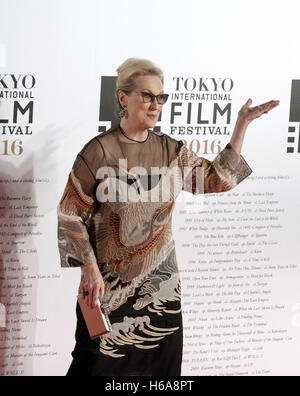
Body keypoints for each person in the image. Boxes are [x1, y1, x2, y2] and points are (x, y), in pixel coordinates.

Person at [57, 58, 279, 376]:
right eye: (147, 95)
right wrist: (89, 268)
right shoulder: (99, 151)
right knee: (95, 368)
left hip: (161, 295)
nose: (156, 104)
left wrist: (241, 125)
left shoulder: (171, 152)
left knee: (161, 372)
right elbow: (69, 213)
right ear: (123, 98)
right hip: (108, 292)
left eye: (161, 97)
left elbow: (217, 179)